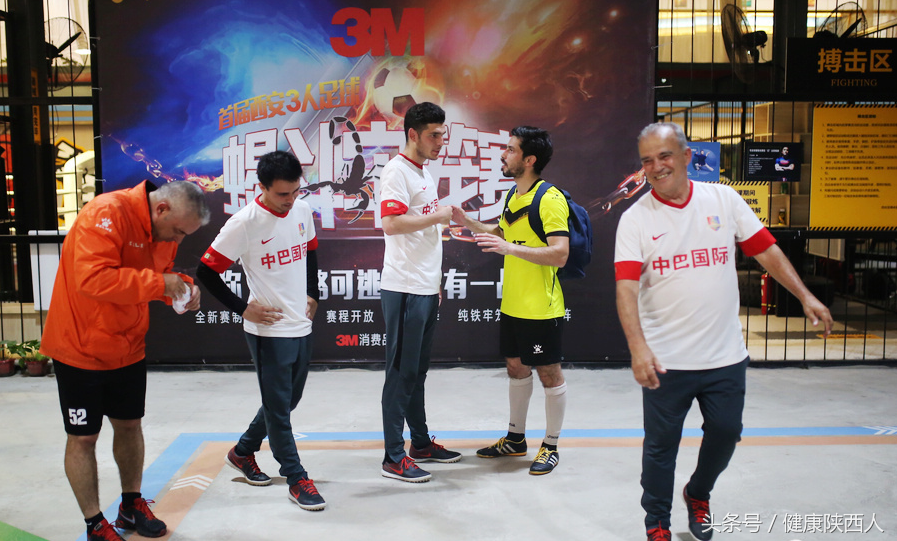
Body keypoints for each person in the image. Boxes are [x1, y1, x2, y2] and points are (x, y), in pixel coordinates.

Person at [614, 123, 833, 541]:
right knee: (660, 447)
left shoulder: (723, 199)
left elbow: (765, 249)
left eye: (664, 156)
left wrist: (805, 296)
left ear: (686, 156)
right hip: (666, 360)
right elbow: (625, 288)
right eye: (647, 160)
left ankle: (698, 493)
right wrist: (638, 348)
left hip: (724, 356)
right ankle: (657, 522)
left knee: (727, 433)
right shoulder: (635, 219)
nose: (656, 167)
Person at [40, 180, 210, 541]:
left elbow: (155, 278)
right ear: (161, 209)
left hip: (128, 346)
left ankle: (131, 504)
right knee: (84, 438)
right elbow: (93, 279)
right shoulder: (106, 212)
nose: (178, 240)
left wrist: (180, 288)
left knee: (130, 425)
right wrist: (161, 285)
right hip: (80, 347)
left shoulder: (163, 230)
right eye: (179, 231)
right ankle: (95, 524)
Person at [196, 150, 325, 510]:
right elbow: (206, 271)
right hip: (268, 330)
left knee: (286, 401)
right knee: (279, 410)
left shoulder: (302, 210)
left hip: (301, 323)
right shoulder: (244, 223)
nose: (290, 200)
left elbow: (311, 251)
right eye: (282, 194)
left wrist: (313, 293)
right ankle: (297, 478)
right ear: (263, 187)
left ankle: (242, 451)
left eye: (295, 191)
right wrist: (244, 308)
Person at [451, 126, 570, 476]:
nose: (503, 154)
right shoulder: (513, 196)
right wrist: (468, 221)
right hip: (513, 304)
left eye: (510, 149)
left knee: (549, 373)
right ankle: (516, 439)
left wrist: (509, 249)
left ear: (529, 159)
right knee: (516, 368)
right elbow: (503, 233)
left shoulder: (549, 199)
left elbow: (560, 253)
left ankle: (551, 445)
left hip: (541, 308)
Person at [379, 102, 461, 483]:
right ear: (413, 134)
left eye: (443, 134)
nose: (440, 141)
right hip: (405, 288)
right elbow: (391, 223)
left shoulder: (423, 171)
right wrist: (438, 216)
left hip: (425, 287)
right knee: (401, 373)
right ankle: (393, 457)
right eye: (434, 135)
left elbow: (423, 231)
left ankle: (421, 443)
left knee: (417, 372)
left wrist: (436, 281)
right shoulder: (396, 171)